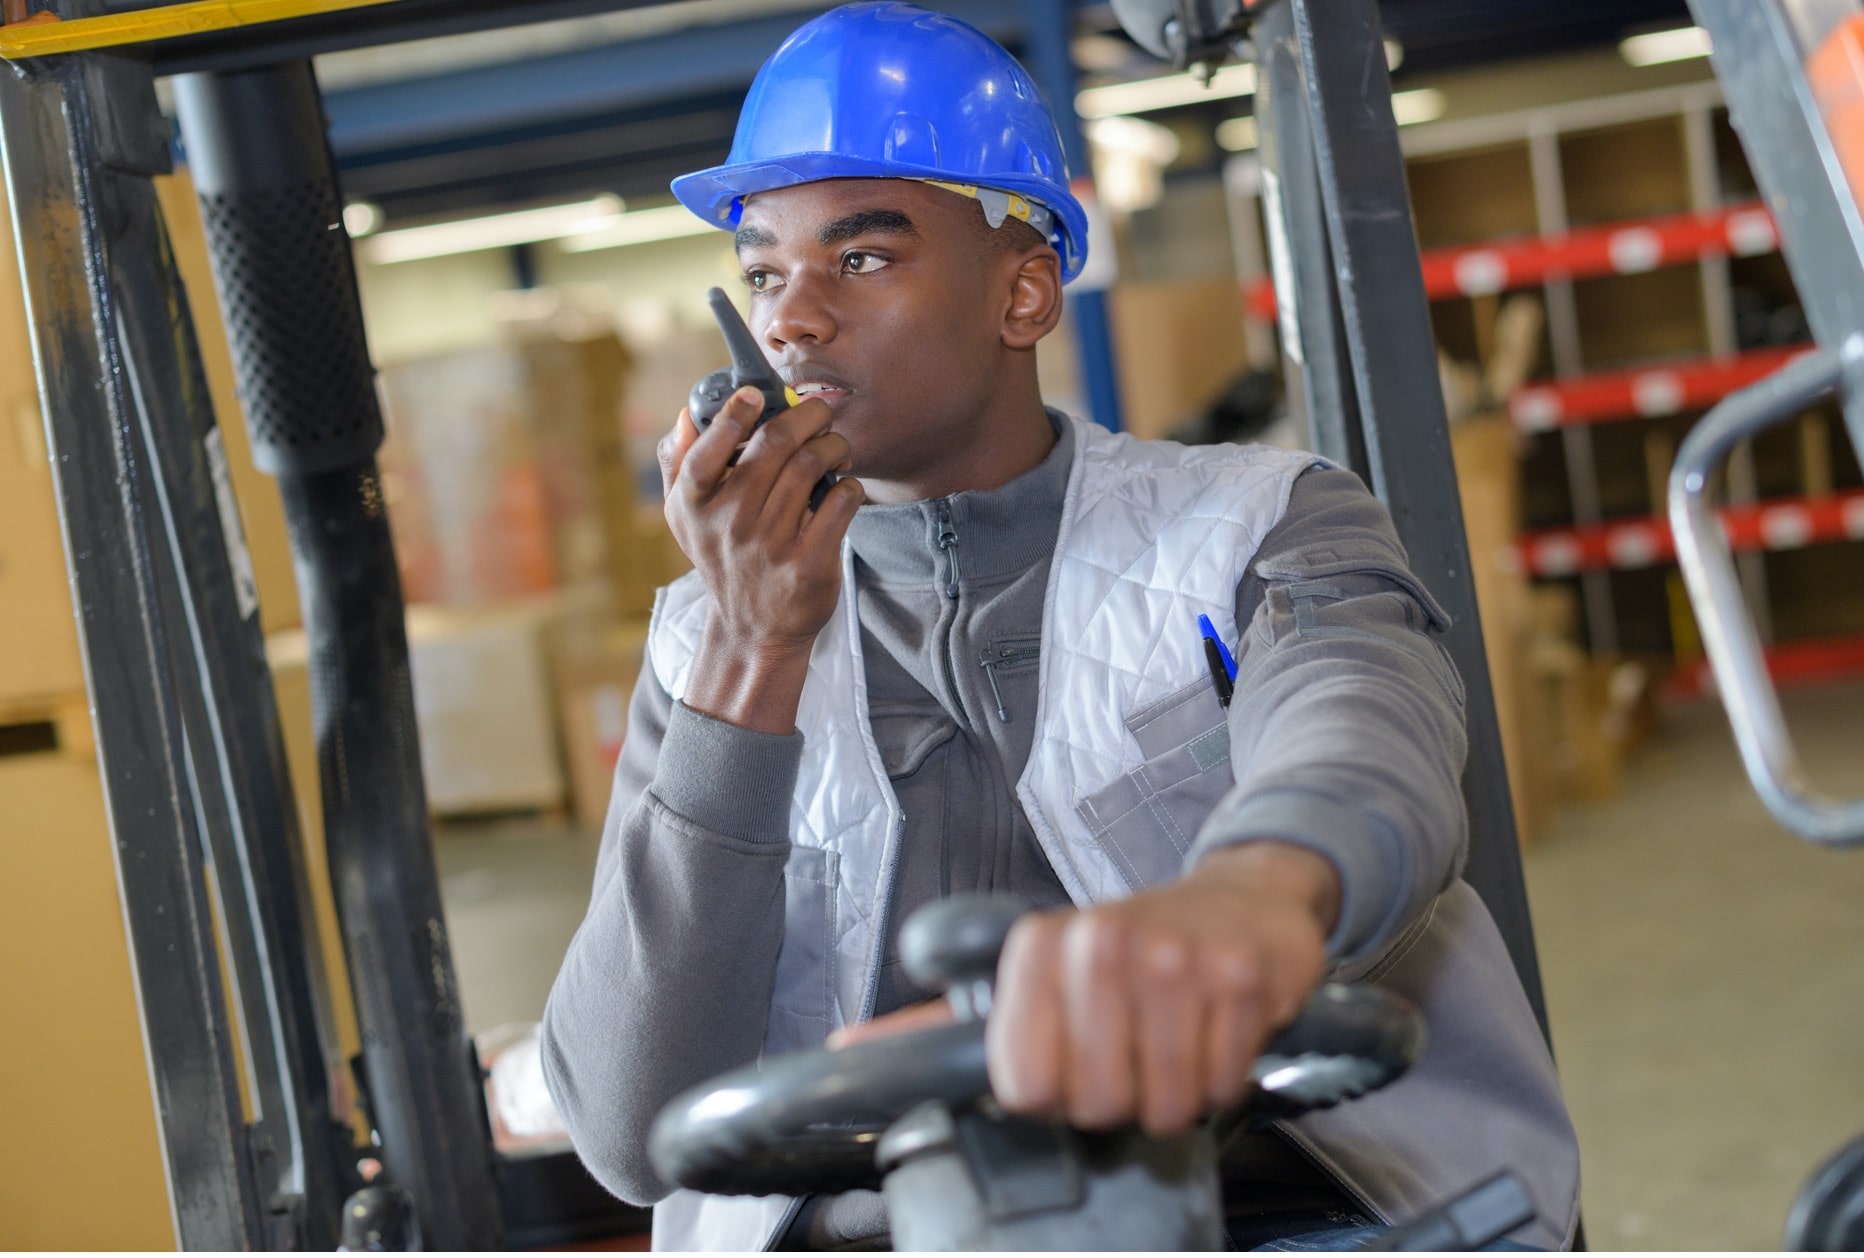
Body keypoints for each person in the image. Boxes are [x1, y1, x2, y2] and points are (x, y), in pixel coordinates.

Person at [543, 3, 1579, 1250]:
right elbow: (625, 1120)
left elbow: (1369, 736)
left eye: (861, 259)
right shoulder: (699, 645)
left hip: (1263, 1207)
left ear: (1025, 293)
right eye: (764, 271)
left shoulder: (1255, 525)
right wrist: (751, 652)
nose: (791, 320)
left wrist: (1254, 893)